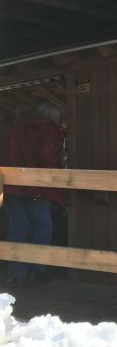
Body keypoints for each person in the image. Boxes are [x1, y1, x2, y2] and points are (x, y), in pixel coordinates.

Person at [2, 101, 67, 288]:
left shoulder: (14, 130)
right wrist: (56, 184)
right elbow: (48, 157)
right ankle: (37, 270)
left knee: (18, 228)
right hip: (36, 188)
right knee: (42, 228)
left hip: (12, 188)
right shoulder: (48, 129)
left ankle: (17, 274)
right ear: (52, 116)